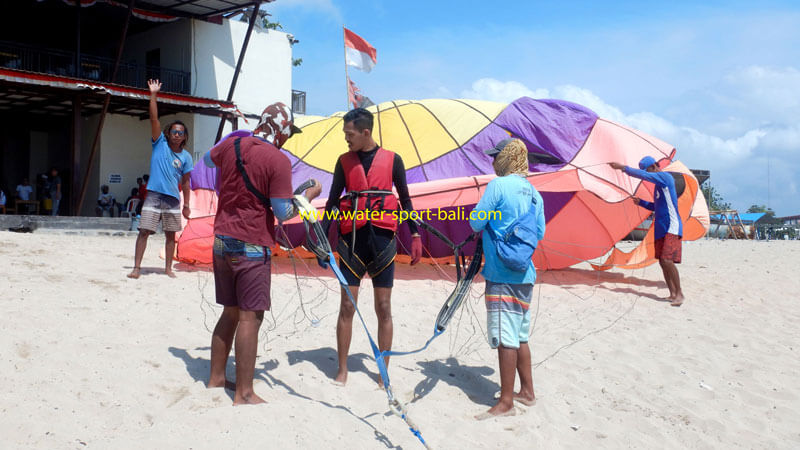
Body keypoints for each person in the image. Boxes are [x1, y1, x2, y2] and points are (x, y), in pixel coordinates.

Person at [203, 102, 321, 405]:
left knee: (229, 311)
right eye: (287, 134)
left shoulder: (231, 145)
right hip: (252, 245)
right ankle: (244, 392)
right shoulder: (277, 160)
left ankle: (216, 377)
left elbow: (207, 159)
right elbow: (282, 212)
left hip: (221, 240)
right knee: (249, 317)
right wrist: (306, 196)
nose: (287, 139)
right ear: (281, 130)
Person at [322, 107, 422, 386]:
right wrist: (321, 232)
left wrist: (415, 235)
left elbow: (405, 199)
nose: (346, 139)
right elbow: (332, 200)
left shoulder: (394, 160)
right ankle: (342, 370)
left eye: (350, 134)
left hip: (383, 243)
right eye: (345, 134)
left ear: (366, 132)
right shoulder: (343, 161)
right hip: (351, 243)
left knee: (384, 307)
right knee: (346, 305)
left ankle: (383, 371)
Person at [469, 138, 545, 420]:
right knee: (520, 335)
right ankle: (527, 392)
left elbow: (476, 222)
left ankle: (506, 402)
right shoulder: (535, 193)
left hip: (502, 274)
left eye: (496, 156)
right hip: (526, 274)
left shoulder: (497, 186)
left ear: (507, 158)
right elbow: (539, 233)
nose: (492, 161)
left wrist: (491, 221)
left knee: (505, 338)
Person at [127, 79, 193, 279]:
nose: (176, 134)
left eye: (180, 133)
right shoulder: (159, 144)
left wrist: (187, 204)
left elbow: (186, 183)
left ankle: (168, 269)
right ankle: (136, 268)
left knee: (171, 235)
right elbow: (153, 118)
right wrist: (153, 94)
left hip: (173, 198)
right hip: (154, 195)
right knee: (144, 231)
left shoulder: (187, 157)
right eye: (174, 131)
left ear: (184, 137)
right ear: (168, 133)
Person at [610, 156, 685, 306]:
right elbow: (656, 207)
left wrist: (622, 168)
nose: (647, 174)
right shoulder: (658, 187)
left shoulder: (665, 177)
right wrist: (641, 202)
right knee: (662, 262)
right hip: (661, 228)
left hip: (671, 226)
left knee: (667, 260)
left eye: (648, 170)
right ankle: (672, 294)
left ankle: (680, 294)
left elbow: (645, 175)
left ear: (654, 166)